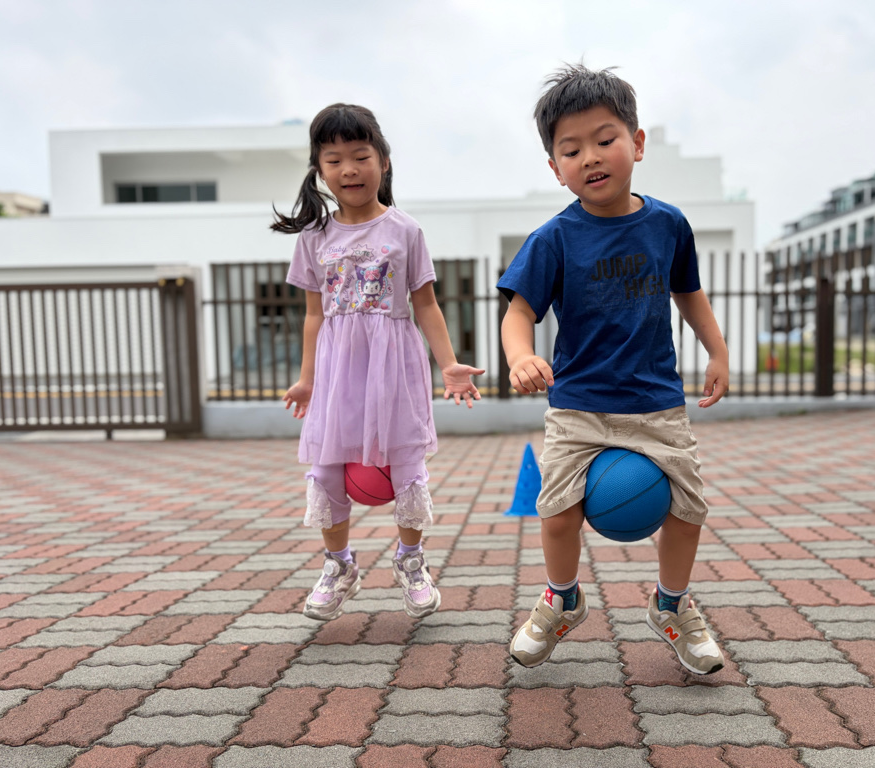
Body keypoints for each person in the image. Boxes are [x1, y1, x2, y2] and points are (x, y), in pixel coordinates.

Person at [498, 65, 729, 674]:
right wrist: (520, 356)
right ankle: (562, 599)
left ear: (638, 143)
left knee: (688, 509)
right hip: (578, 404)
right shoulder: (554, 238)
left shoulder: (668, 224)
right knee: (556, 511)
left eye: (605, 139)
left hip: (656, 404)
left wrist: (718, 350)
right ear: (556, 168)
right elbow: (518, 312)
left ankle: (672, 605)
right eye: (572, 149)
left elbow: (689, 293)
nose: (591, 157)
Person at [273, 103, 483, 622]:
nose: (349, 169)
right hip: (337, 373)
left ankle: (411, 561)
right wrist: (306, 379)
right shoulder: (313, 238)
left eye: (360, 156)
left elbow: (426, 304)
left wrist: (449, 364)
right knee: (327, 468)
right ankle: (339, 566)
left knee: (406, 464)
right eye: (334, 160)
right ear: (320, 171)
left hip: (394, 368)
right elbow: (313, 316)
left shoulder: (405, 230)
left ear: (383, 162)